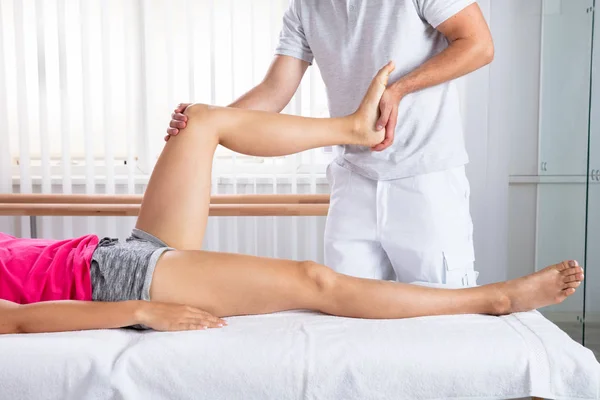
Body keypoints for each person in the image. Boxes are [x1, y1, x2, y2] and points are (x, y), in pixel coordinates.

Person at [0, 64, 583, 335]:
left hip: (118, 251)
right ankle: (495, 298)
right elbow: (19, 325)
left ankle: (354, 129)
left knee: (199, 123)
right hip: (118, 284)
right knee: (313, 280)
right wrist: (139, 311)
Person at [167, 0, 494, 286]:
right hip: (353, 179)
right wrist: (206, 122)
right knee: (346, 313)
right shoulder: (305, 7)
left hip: (424, 176)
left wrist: (399, 89)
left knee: (445, 314)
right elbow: (274, 90)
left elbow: (478, 44)